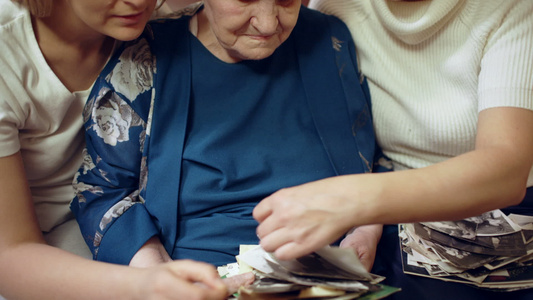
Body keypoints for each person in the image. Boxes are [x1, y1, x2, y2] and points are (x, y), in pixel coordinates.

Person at [70, 0, 384, 270]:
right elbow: (101, 193)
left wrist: (365, 229)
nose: (267, 22)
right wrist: (156, 271)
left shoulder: (329, 40)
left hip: (329, 269)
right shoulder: (144, 59)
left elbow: (370, 159)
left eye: (286, 0)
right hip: (198, 272)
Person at [253, 0, 533, 299]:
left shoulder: (512, 9)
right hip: (388, 216)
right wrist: (366, 224)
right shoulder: (335, 7)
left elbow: (506, 171)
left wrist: (351, 199)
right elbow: (347, 132)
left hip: (500, 215)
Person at [0, 0, 251, 299]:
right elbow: (10, 254)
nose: (139, 1)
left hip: (144, 220)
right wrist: (145, 284)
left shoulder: (159, 21)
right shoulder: (8, 54)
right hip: (42, 249)